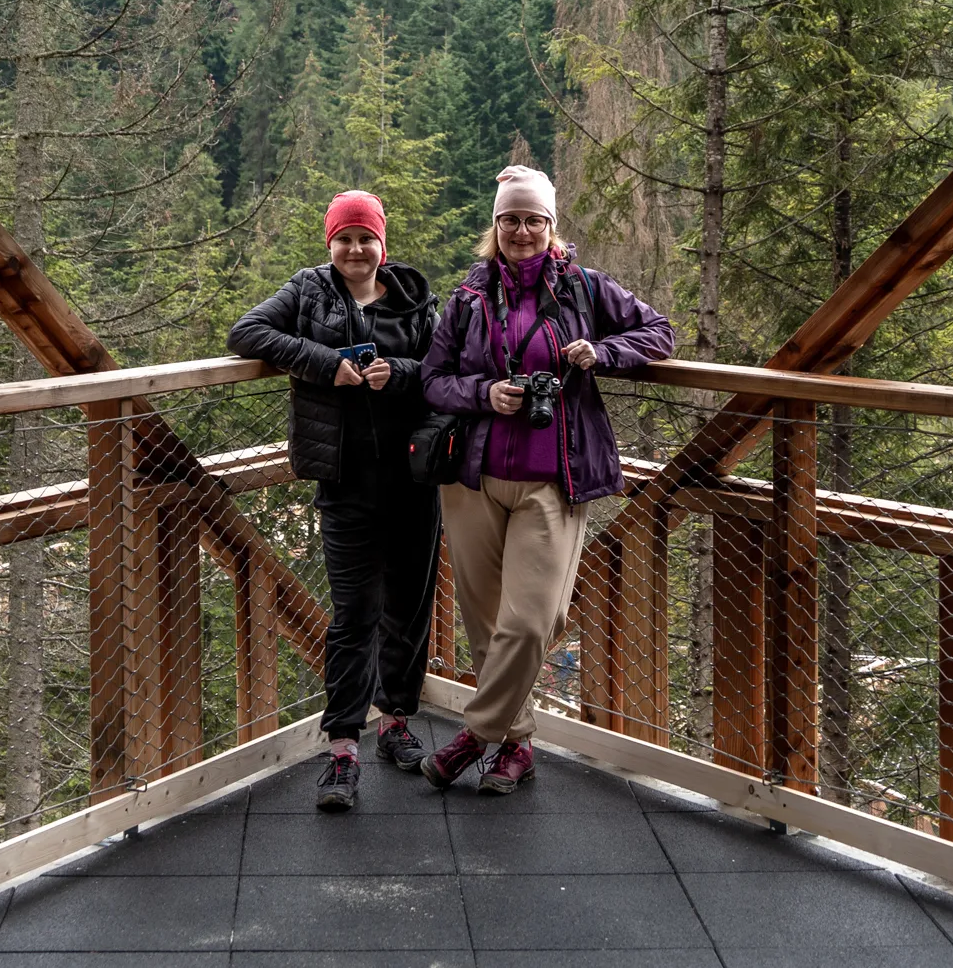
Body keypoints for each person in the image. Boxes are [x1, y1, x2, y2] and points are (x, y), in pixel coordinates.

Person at [418, 165, 674, 794]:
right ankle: (517, 745)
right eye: (511, 219)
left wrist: (604, 353)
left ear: (552, 226)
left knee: (532, 622)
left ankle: (473, 736)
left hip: (551, 481)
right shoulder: (469, 297)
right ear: (495, 226)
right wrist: (485, 392)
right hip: (473, 479)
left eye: (534, 220)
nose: (523, 231)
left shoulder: (584, 290)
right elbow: (432, 379)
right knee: (487, 624)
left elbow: (660, 333)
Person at [227, 190, 440, 811]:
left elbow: (443, 373)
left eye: (365, 238)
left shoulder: (415, 300)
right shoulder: (309, 291)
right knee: (353, 615)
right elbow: (247, 332)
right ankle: (343, 745)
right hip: (344, 479)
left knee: (408, 606)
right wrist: (326, 364)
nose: (354, 249)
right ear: (330, 244)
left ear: (383, 244)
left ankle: (397, 720)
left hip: (413, 477)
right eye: (343, 238)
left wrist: (398, 373)